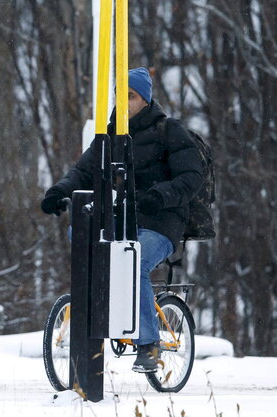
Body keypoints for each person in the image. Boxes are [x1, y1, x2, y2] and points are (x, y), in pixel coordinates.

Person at [40, 67, 204, 373]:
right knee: (82, 233)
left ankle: (148, 344)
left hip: (162, 222)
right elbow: (83, 170)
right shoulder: (111, 133)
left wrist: (161, 195)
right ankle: (99, 312)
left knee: (133, 260)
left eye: (130, 96)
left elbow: (192, 176)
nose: (123, 101)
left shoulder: (169, 131)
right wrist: (59, 191)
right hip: (125, 218)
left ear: (145, 99)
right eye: (119, 95)